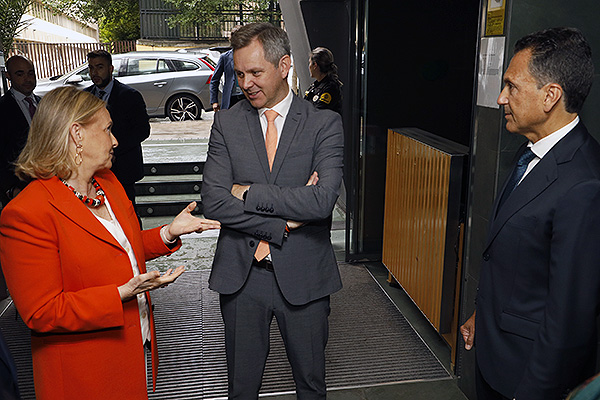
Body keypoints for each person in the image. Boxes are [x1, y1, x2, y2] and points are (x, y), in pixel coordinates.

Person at [0, 86, 220, 400]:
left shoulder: (108, 183)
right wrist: (121, 294)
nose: (115, 140)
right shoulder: (27, 213)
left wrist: (168, 233)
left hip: (132, 352)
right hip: (83, 375)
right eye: (107, 129)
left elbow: (120, 250)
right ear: (76, 134)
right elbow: (42, 312)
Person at [201, 23, 344, 399]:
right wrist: (283, 222)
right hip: (241, 279)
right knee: (241, 389)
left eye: (255, 72)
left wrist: (246, 193)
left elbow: (322, 200)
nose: (245, 83)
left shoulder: (323, 123)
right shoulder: (228, 123)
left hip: (305, 277)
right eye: (240, 73)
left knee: (310, 385)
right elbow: (214, 201)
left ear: (284, 66)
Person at [460, 27, 600, 400]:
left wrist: (534, 392)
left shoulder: (586, 184)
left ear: (550, 96)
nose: (501, 97)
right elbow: (513, 261)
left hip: (527, 379)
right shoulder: (529, 152)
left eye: (512, 86)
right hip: (495, 355)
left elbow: (570, 318)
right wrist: (483, 317)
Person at [84, 49, 150, 208]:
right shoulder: (84, 97)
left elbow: (142, 130)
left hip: (124, 166)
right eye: (91, 68)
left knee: (127, 210)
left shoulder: (130, 95)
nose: (95, 72)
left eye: (99, 67)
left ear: (111, 69)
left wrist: (113, 150)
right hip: (93, 169)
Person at [0, 55, 39, 205]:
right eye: (20, 74)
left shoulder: (43, 104)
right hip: (17, 190)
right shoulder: (3, 109)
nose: (27, 79)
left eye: (30, 73)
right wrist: (10, 189)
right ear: (8, 76)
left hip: (48, 185)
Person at [210, 25, 245, 112]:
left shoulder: (251, 56)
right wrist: (214, 101)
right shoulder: (225, 57)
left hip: (247, 97)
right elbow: (215, 79)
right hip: (231, 98)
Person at [304, 47, 343, 114]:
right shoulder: (314, 86)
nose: (309, 67)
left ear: (315, 65)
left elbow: (318, 113)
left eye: (310, 63)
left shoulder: (330, 88)